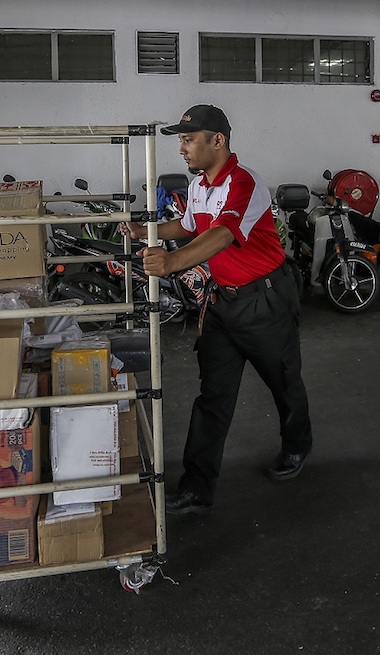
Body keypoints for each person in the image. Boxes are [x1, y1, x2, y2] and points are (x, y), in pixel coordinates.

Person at [122, 104, 313, 516]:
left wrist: (173, 262)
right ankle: (197, 489)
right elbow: (190, 225)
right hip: (223, 303)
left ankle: (298, 446)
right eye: (181, 141)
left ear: (217, 140)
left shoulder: (245, 183)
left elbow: (224, 233)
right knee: (213, 397)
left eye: (189, 140)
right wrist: (145, 231)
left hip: (265, 301)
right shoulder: (199, 186)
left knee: (283, 382)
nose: (182, 149)